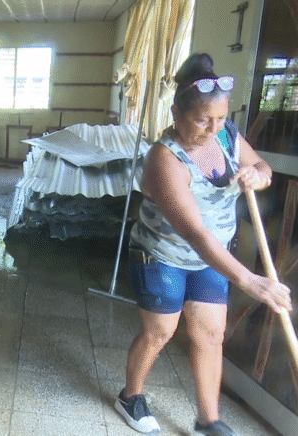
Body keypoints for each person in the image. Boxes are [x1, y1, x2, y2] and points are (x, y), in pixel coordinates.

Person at [115, 53, 293, 436]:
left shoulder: (226, 135)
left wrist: (258, 176)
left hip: (212, 258)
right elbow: (196, 235)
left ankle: (208, 421)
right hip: (162, 255)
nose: (212, 130)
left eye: (220, 118)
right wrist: (251, 281)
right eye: (201, 120)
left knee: (210, 335)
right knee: (159, 332)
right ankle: (130, 396)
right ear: (176, 113)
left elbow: (263, 166)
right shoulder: (164, 159)